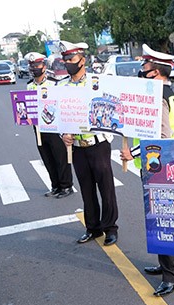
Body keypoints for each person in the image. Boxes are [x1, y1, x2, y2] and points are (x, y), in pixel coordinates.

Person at [120, 44, 174, 297]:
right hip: (166, 165)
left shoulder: (159, 97)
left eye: (145, 67)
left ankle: (172, 275)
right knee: (160, 220)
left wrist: (132, 153)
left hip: (161, 167)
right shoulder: (168, 92)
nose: (141, 70)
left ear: (156, 72)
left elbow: (161, 136)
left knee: (166, 221)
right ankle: (165, 265)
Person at [58, 41, 119, 246]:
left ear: (82, 60)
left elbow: (112, 108)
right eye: (65, 60)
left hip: (98, 144)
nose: (67, 63)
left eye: (71, 59)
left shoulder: (98, 82)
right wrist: (62, 135)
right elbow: (57, 117)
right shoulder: (61, 86)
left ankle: (110, 228)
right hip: (76, 147)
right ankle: (92, 228)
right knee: (86, 189)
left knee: (106, 188)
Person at [26, 52, 73, 199]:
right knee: (47, 158)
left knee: (60, 157)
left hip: (55, 127)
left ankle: (66, 186)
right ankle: (55, 185)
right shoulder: (29, 85)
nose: (34, 68)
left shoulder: (54, 83)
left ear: (44, 66)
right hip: (38, 128)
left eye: (37, 65)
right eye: (32, 66)